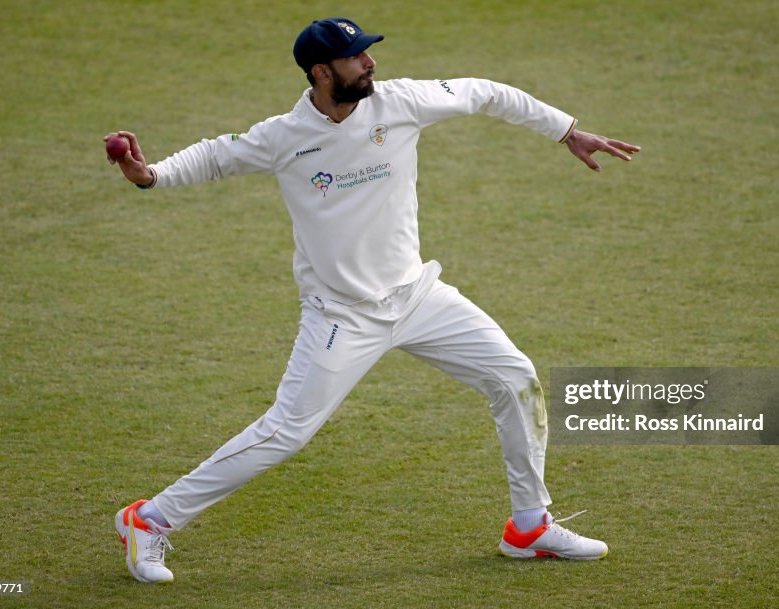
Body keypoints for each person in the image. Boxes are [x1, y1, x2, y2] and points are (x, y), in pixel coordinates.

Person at [107, 17, 640, 584]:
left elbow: (486, 92)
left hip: (418, 296)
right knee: (287, 432)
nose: (370, 63)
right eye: (356, 57)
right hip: (342, 315)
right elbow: (217, 155)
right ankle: (149, 519)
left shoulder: (401, 102)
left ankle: (529, 527)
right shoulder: (284, 136)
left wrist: (566, 131)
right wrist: (151, 176)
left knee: (516, 378)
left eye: (367, 52)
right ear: (321, 72)